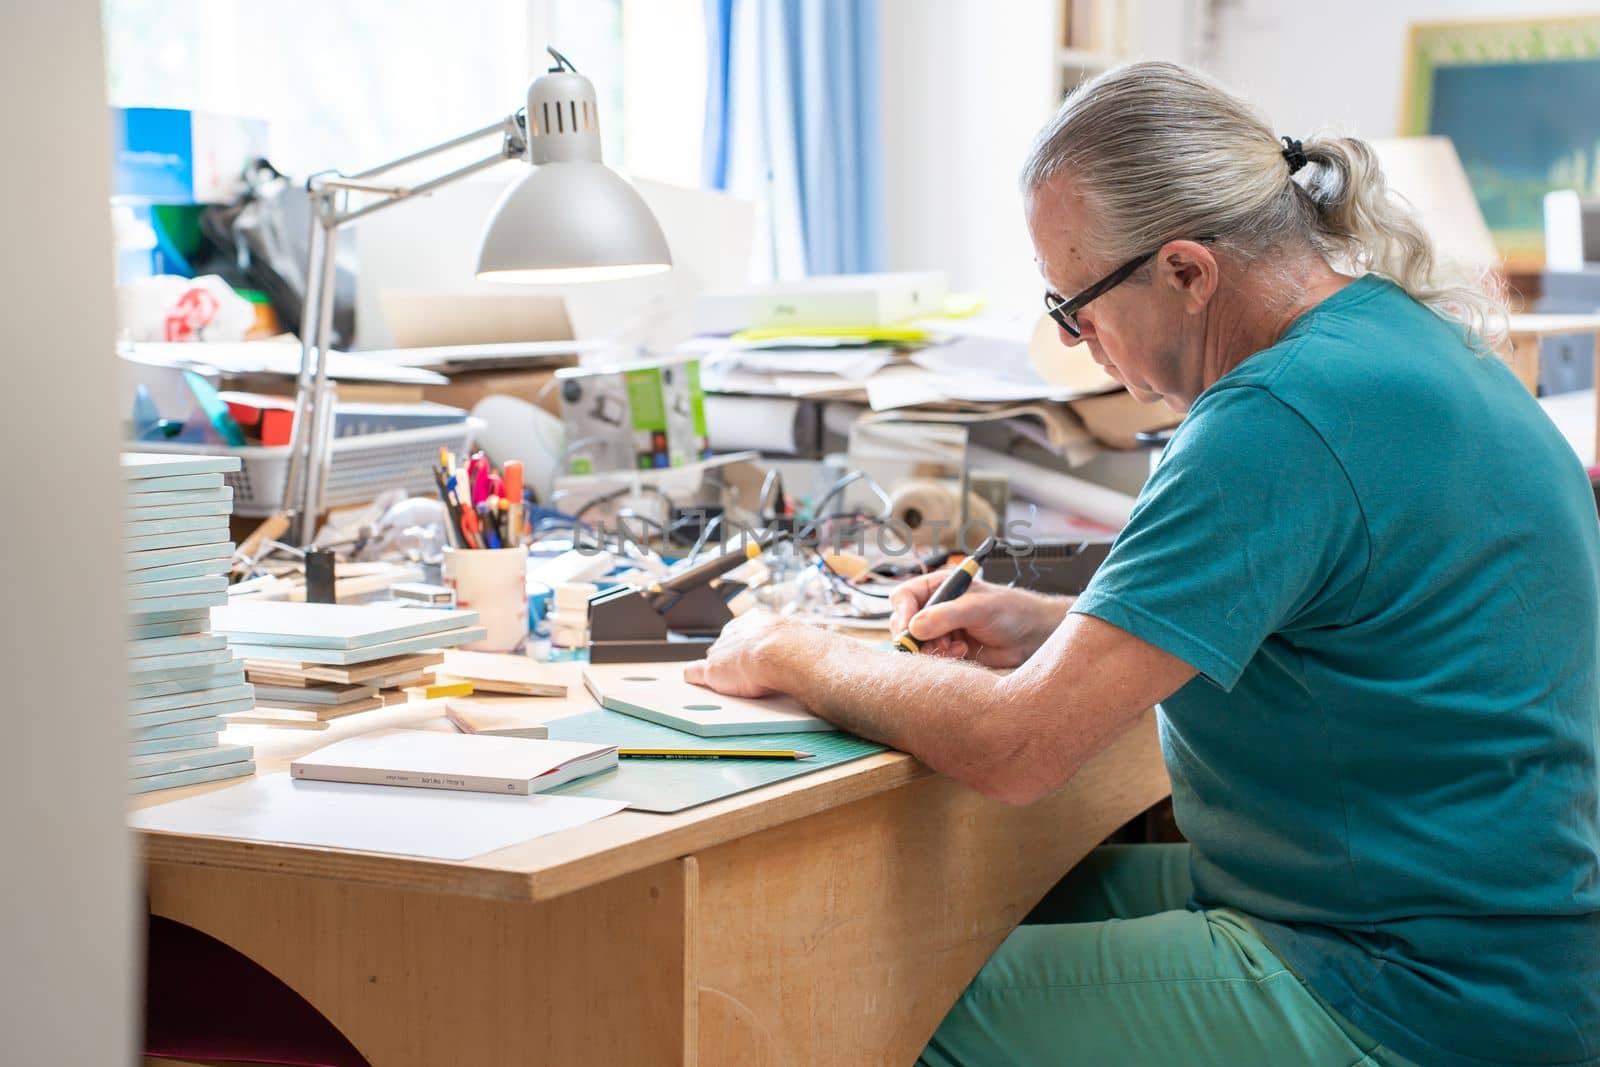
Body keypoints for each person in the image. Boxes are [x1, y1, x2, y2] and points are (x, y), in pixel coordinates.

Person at [685, 60, 1600, 1066]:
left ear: (1185, 271)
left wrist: (788, 646)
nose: (1078, 344)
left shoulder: (1272, 419)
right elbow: (1336, 621)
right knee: (954, 916)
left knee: (876, 1008)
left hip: (1416, 983)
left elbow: (1016, 748)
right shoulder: (1396, 338)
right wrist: (1056, 628)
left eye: (1074, 305)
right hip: (1494, 931)